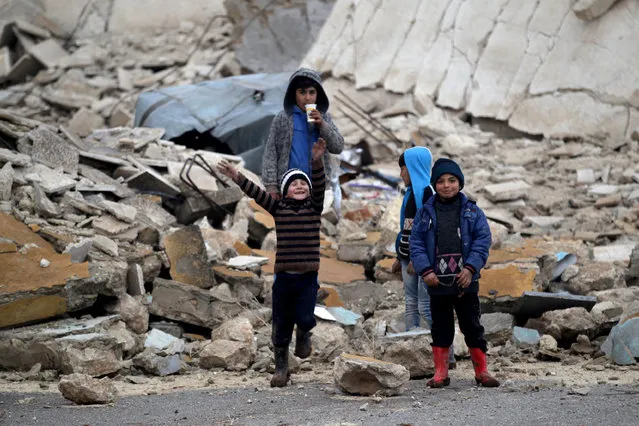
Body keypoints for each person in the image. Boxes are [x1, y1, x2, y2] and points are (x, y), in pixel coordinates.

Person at [218, 138, 327, 388]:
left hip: (308, 277)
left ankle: (304, 335)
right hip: (284, 279)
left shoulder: (314, 208)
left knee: (305, 316)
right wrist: (237, 176)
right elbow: (256, 194)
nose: (299, 187)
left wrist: (317, 161)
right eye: (294, 184)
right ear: (285, 190)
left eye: (303, 184)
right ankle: (281, 369)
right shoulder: (278, 209)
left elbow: (319, 184)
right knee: (281, 322)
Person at [410, 158, 499, 388]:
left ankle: (481, 372)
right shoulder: (425, 213)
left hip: (465, 282)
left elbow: (482, 241)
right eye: (440, 181)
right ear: (434, 184)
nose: (446, 185)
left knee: (472, 326)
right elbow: (416, 243)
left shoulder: (472, 211)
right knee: (440, 327)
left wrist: (470, 269)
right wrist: (425, 271)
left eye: (451, 180)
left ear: (460, 183)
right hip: (437, 283)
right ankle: (441, 373)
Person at [391, 147, 456, 368]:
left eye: (404, 169)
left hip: (420, 261)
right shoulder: (410, 194)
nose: (401, 174)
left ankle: (448, 354)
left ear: (414, 168)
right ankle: (412, 348)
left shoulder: (426, 194)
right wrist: (398, 255)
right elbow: (405, 228)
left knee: (426, 306)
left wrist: (416, 260)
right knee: (410, 303)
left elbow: (428, 233)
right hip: (406, 257)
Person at [261, 68, 344, 201]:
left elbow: (338, 146)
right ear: (293, 94)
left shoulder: (324, 118)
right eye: (302, 92)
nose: (307, 98)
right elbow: (271, 153)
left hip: (317, 187)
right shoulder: (283, 119)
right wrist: (271, 186)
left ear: (318, 94)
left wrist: (322, 125)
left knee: (312, 221)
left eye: (312, 92)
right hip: (289, 188)